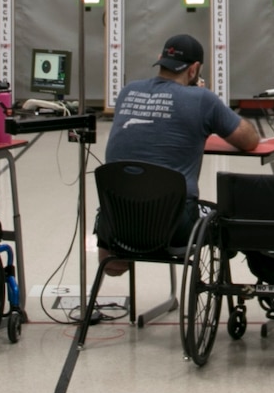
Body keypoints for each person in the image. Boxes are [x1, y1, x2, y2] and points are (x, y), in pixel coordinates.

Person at [100, 35, 259, 270]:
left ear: (160, 60)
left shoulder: (128, 91)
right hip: (174, 227)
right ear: (194, 70)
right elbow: (249, 140)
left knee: (115, 261)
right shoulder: (201, 99)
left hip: (117, 223)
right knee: (231, 216)